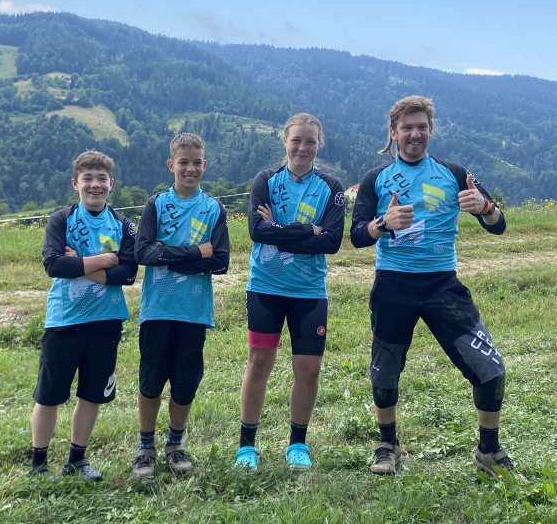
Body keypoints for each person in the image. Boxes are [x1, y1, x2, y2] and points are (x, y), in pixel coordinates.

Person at [350, 95, 510, 477]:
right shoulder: (376, 179)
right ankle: (387, 445)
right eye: (407, 127)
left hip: (442, 287)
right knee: (384, 372)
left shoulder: (454, 173)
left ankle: (489, 451)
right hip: (393, 287)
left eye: (421, 127)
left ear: (431, 130)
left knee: (490, 368)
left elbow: (499, 224)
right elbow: (356, 236)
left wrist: (485, 208)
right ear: (393, 133)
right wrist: (383, 223)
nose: (415, 134)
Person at [234, 113, 345, 472]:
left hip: (309, 292)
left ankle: (297, 443)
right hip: (265, 287)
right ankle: (246, 446)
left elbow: (331, 242)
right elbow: (257, 231)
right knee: (259, 363)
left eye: (310, 141)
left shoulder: (331, 187)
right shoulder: (265, 180)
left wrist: (280, 229)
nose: (302, 147)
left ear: (319, 145)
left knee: (309, 369)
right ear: (285, 141)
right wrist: (309, 230)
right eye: (296, 140)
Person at [30, 150, 138, 479]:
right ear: (75, 183)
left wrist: (80, 263)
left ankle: (77, 459)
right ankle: (38, 464)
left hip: (106, 323)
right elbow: (54, 265)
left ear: (111, 184)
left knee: (92, 395)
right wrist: (106, 260)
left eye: (101, 179)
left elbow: (129, 274)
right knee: (49, 396)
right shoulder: (60, 220)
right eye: (87, 178)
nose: (95, 185)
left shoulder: (124, 225)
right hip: (64, 322)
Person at [131, 132, 230, 478]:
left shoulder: (214, 208)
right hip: (157, 309)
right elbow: (143, 252)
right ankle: (145, 447)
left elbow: (220, 261)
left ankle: (175, 444)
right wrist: (193, 253)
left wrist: (169, 255)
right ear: (170, 164)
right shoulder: (156, 204)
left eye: (196, 162)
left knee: (186, 382)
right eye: (183, 162)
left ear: (205, 165)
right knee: (151, 380)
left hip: (193, 311)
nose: (190, 169)